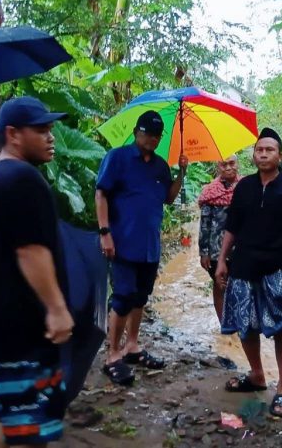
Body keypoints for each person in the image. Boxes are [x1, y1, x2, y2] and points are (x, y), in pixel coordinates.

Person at [0, 96, 74, 448]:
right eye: (41, 130)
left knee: (4, 411)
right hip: (18, 325)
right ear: (13, 134)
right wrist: (56, 308)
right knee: (27, 424)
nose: (51, 137)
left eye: (50, 129)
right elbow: (30, 250)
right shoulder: (21, 178)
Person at [215, 127, 282, 419]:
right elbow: (232, 228)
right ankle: (257, 375)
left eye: (269, 150)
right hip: (243, 267)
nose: (263, 154)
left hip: (279, 269)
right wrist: (222, 260)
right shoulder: (244, 187)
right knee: (246, 325)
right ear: (253, 155)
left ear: (280, 156)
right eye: (259, 150)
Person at [95, 110, 188, 385]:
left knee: (140, 296)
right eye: (148, 133)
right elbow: (101, 194)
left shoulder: (160, 166)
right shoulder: (118, 158)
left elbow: (168, 198)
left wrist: (182, 173)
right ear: (137, 132)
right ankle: (112, 355)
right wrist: (105, 232)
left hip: (149, 244)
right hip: (122, 241)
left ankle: (132, 345)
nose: (152, 139)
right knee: (123, 297)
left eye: (157, 135)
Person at [197, 155, 240, 322]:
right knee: (219, 285)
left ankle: (238, 321)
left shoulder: (246, 187)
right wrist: (204, 252)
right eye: (224, 165)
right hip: (216, 250)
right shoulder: (210, 192)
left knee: (239, 285)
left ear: (237, 164)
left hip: (241, 249)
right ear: (218, 167)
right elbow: (205, 224)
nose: (228, 168)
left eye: (231, 163)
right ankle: (224, 324)